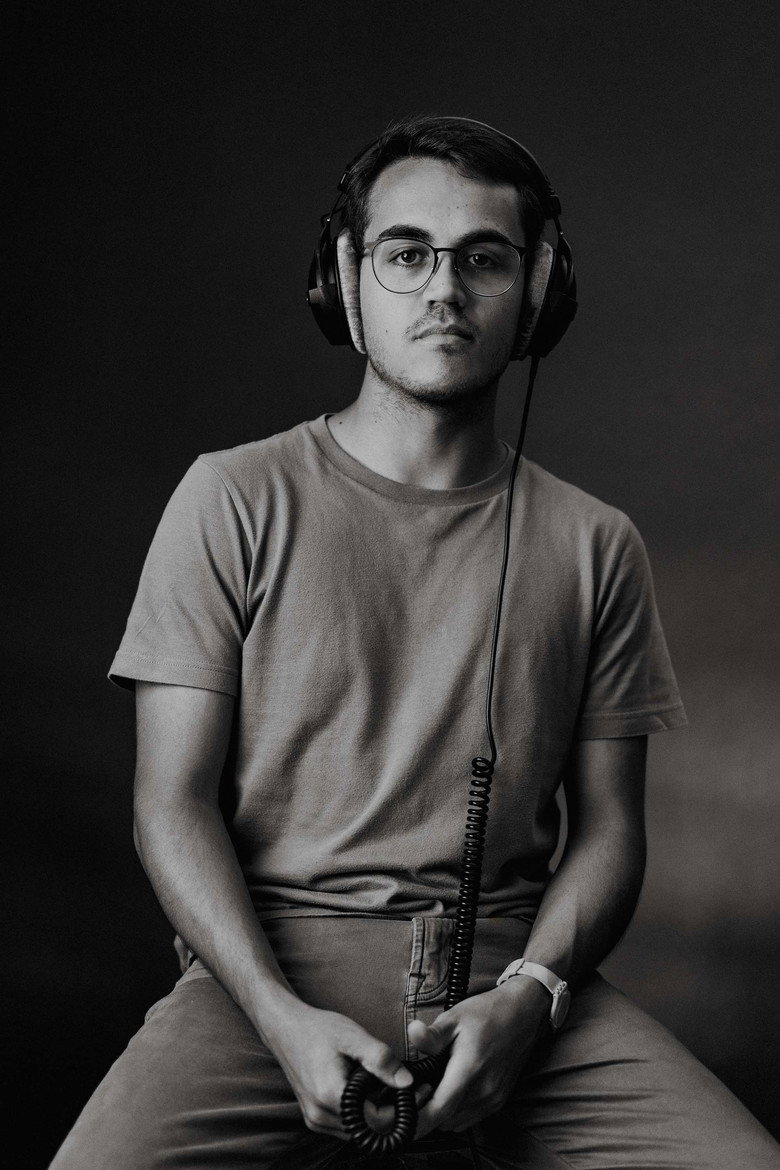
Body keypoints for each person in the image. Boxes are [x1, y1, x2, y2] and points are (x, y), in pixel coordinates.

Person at [51, 116, 778, 1169]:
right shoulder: (230, 498)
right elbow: (169, 805)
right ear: (347, 282)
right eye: (407, 254)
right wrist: (276, 1016)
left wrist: (532, 996)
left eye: (484, 259)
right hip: (262, 982)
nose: (444, 289)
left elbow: (611, 832)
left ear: (537, 292)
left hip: (515, 982)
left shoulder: (596, 544)